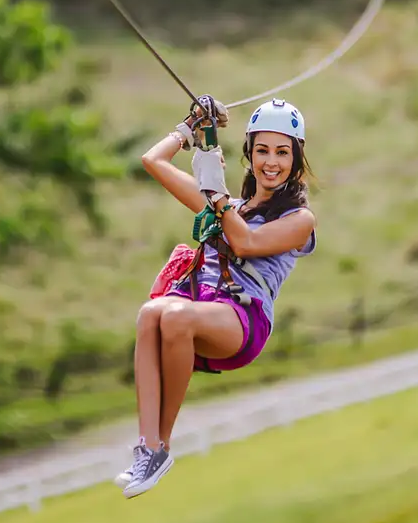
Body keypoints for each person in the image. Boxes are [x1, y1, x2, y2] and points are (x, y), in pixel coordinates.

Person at [116, 97, 317, 498]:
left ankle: (162, 447)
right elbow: (152, 161)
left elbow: (244, 243)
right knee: (151, 313)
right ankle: (146, 446)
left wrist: (217, 192)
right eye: (262, 150)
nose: (271, 162)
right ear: (249, 153)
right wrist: (190, 128)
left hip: (244, 319)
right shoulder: (229, 205)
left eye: (282, 152)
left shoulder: (298, 219)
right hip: (204, 307)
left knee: (174, 317)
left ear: (296, 159)